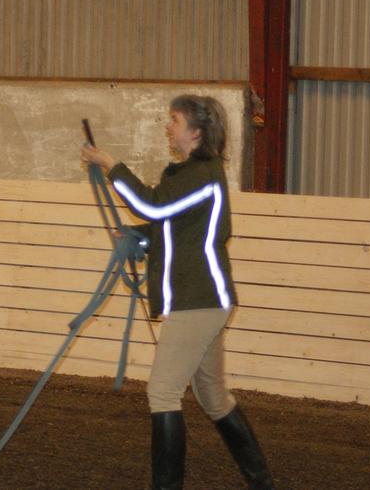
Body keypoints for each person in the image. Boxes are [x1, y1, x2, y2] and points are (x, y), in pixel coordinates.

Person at [80, 95, 273, 490]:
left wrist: (111, 165)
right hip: (204, 298)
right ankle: (262, 482)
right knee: (213, 396)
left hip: (195, 299)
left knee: (163, 392)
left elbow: (151, 206)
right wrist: (137, 236)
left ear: (196, 132)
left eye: (175, 120)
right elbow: (172, 227)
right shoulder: (195, 174)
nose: (168, 127)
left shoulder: (200, 175)